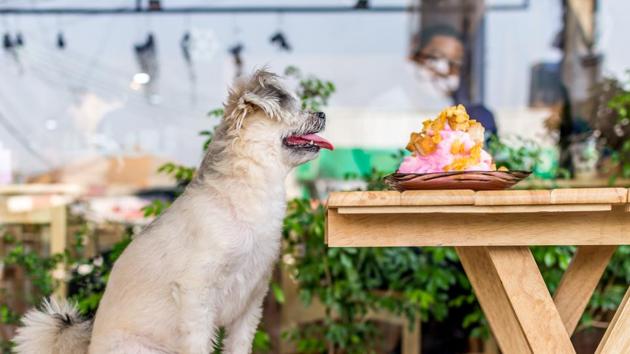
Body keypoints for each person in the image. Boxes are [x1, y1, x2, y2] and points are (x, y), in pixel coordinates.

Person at [409, 24, 497, 136]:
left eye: (455, 63)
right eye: (435, 57)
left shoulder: (471, 116)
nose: (445, 70)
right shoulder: (388, 105)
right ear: (414, 58)